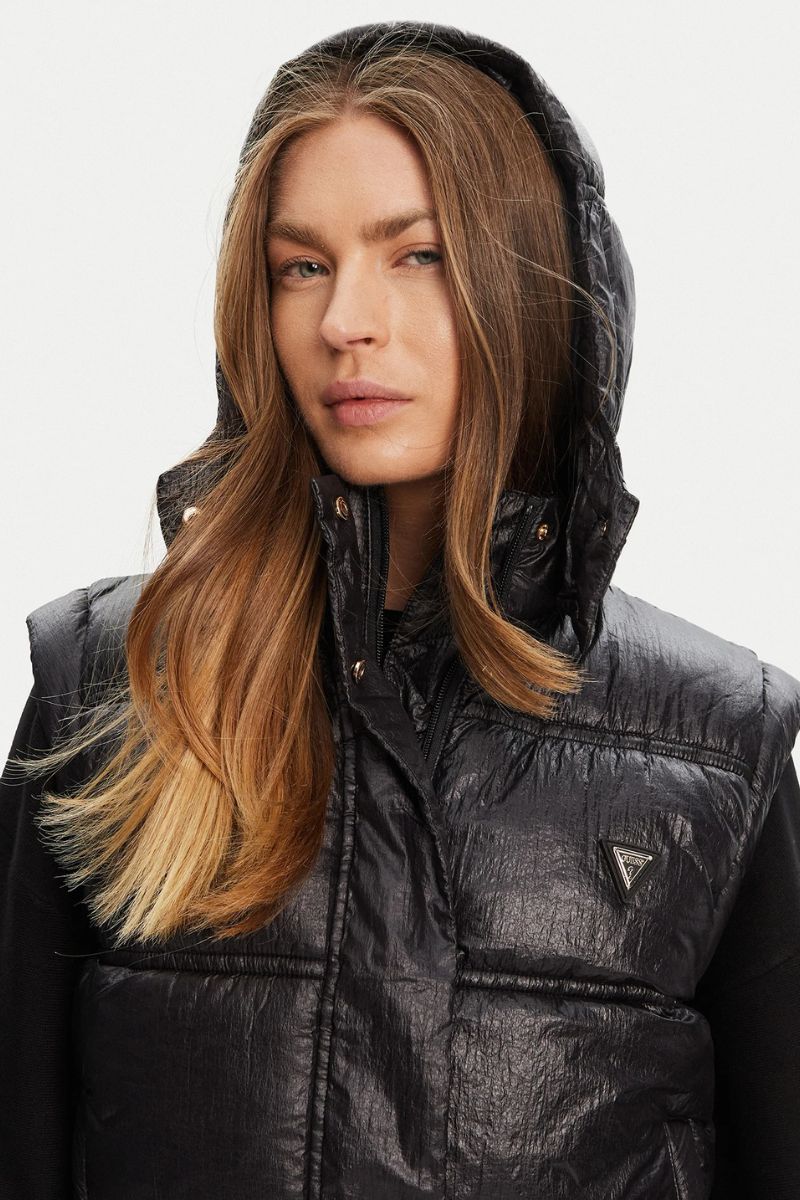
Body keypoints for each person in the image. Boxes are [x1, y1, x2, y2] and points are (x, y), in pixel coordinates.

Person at [1, 19, 798, 1200]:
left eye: (414, 254)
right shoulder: (115, 686)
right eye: (300, 266)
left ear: (524, 282)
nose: (343, 322)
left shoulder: (714, 744)